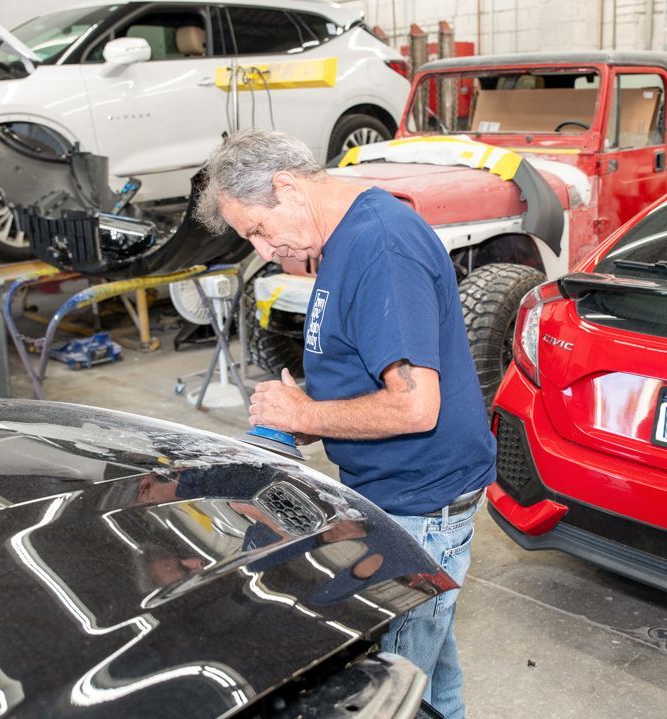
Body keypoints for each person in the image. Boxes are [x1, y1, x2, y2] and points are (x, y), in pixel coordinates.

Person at [197, 129, 496, 719]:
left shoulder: (379, 248)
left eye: (257, 228)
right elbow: (371, 373)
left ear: (286, 186)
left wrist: (304, 413)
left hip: (420, 503)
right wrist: (312, 412)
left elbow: (415, 406)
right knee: (431, 671)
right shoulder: (344, 240)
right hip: (398, 494)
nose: (261, 248)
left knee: (394, 687)